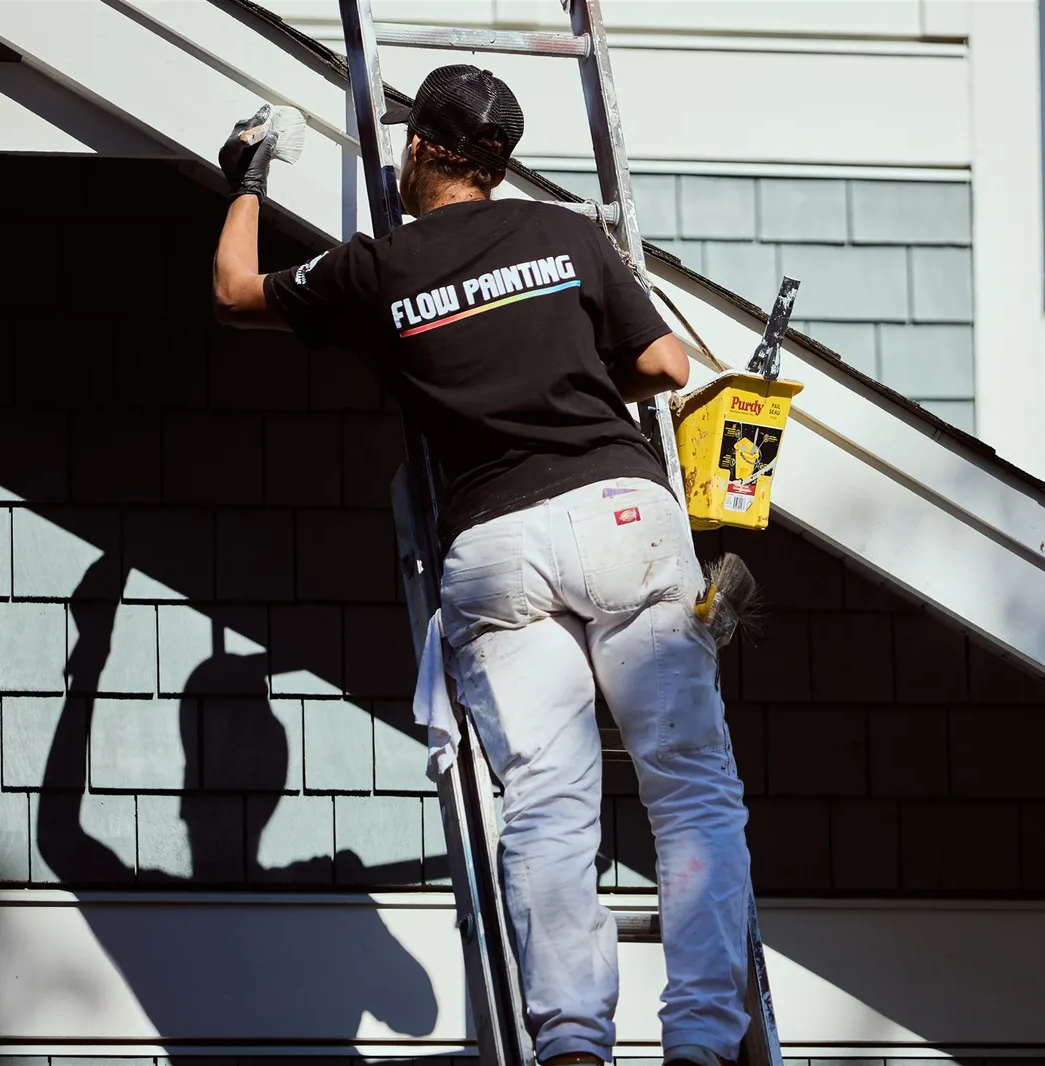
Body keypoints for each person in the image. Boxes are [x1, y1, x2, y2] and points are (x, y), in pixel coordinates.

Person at [210, 64, 752, 1066]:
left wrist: (246, 175)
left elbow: (236, 294)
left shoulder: (378, 268)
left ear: (420, 149)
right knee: (690, 793)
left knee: (548, 807)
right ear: (499, 164)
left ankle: (574, 1047)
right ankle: (706, 1043)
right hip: (619, 509)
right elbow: (667, 367)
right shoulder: (568, 235)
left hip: (493, 546)